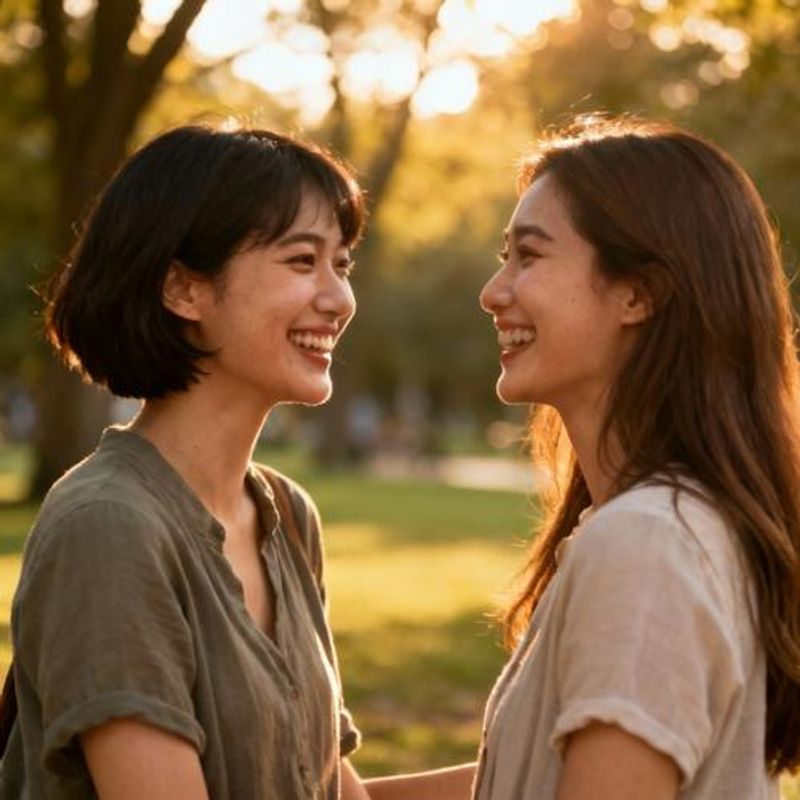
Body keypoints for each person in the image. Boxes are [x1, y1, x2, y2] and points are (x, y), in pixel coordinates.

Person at [0, 123, 376, 799]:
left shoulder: (287, 516)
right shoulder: (109, 527)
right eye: (302, 261)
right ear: (183, 290)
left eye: (342, 265)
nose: (339, 299)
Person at [472, 115, 800, 798]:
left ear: (639, 294)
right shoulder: (662, 527)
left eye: (528, 256)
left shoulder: (649, 544)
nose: (493, 292)